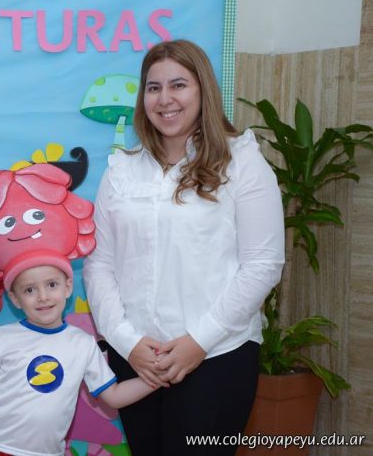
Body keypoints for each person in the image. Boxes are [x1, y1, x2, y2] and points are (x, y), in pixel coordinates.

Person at [83, 39, 285, 455]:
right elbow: (100, 263)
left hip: (216, 356)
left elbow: (262, 264)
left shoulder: (242, 161)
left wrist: (199, 342)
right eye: (153, 87)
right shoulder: (121, 169)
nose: (165, 99)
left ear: (203, 90)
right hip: (137, 359)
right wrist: (126, 341)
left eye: (178, 85)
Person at [0, 249, 155, 456]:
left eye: (52, 285)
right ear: (15, 299)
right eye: (29, 290)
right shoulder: (2, 338)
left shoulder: (83, 343)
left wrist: (157, 379)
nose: (42, 296)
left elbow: (114, 396)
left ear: (67, 287)